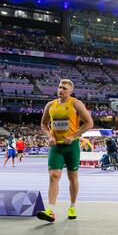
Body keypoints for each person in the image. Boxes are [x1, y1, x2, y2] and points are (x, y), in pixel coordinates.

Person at [37, 79, 94, 223]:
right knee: (54, 176)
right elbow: (44, 125)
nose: (60, 90)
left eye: (64, 88)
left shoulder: (76, 103)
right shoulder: (50, 105)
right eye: (59, 87)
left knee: (72, 177)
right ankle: (51, 210)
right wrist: (50, 135)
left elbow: (89, 123)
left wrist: (74, 136)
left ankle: (72, 206)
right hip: (56, 147)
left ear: (70, 91)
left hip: (72, 146)